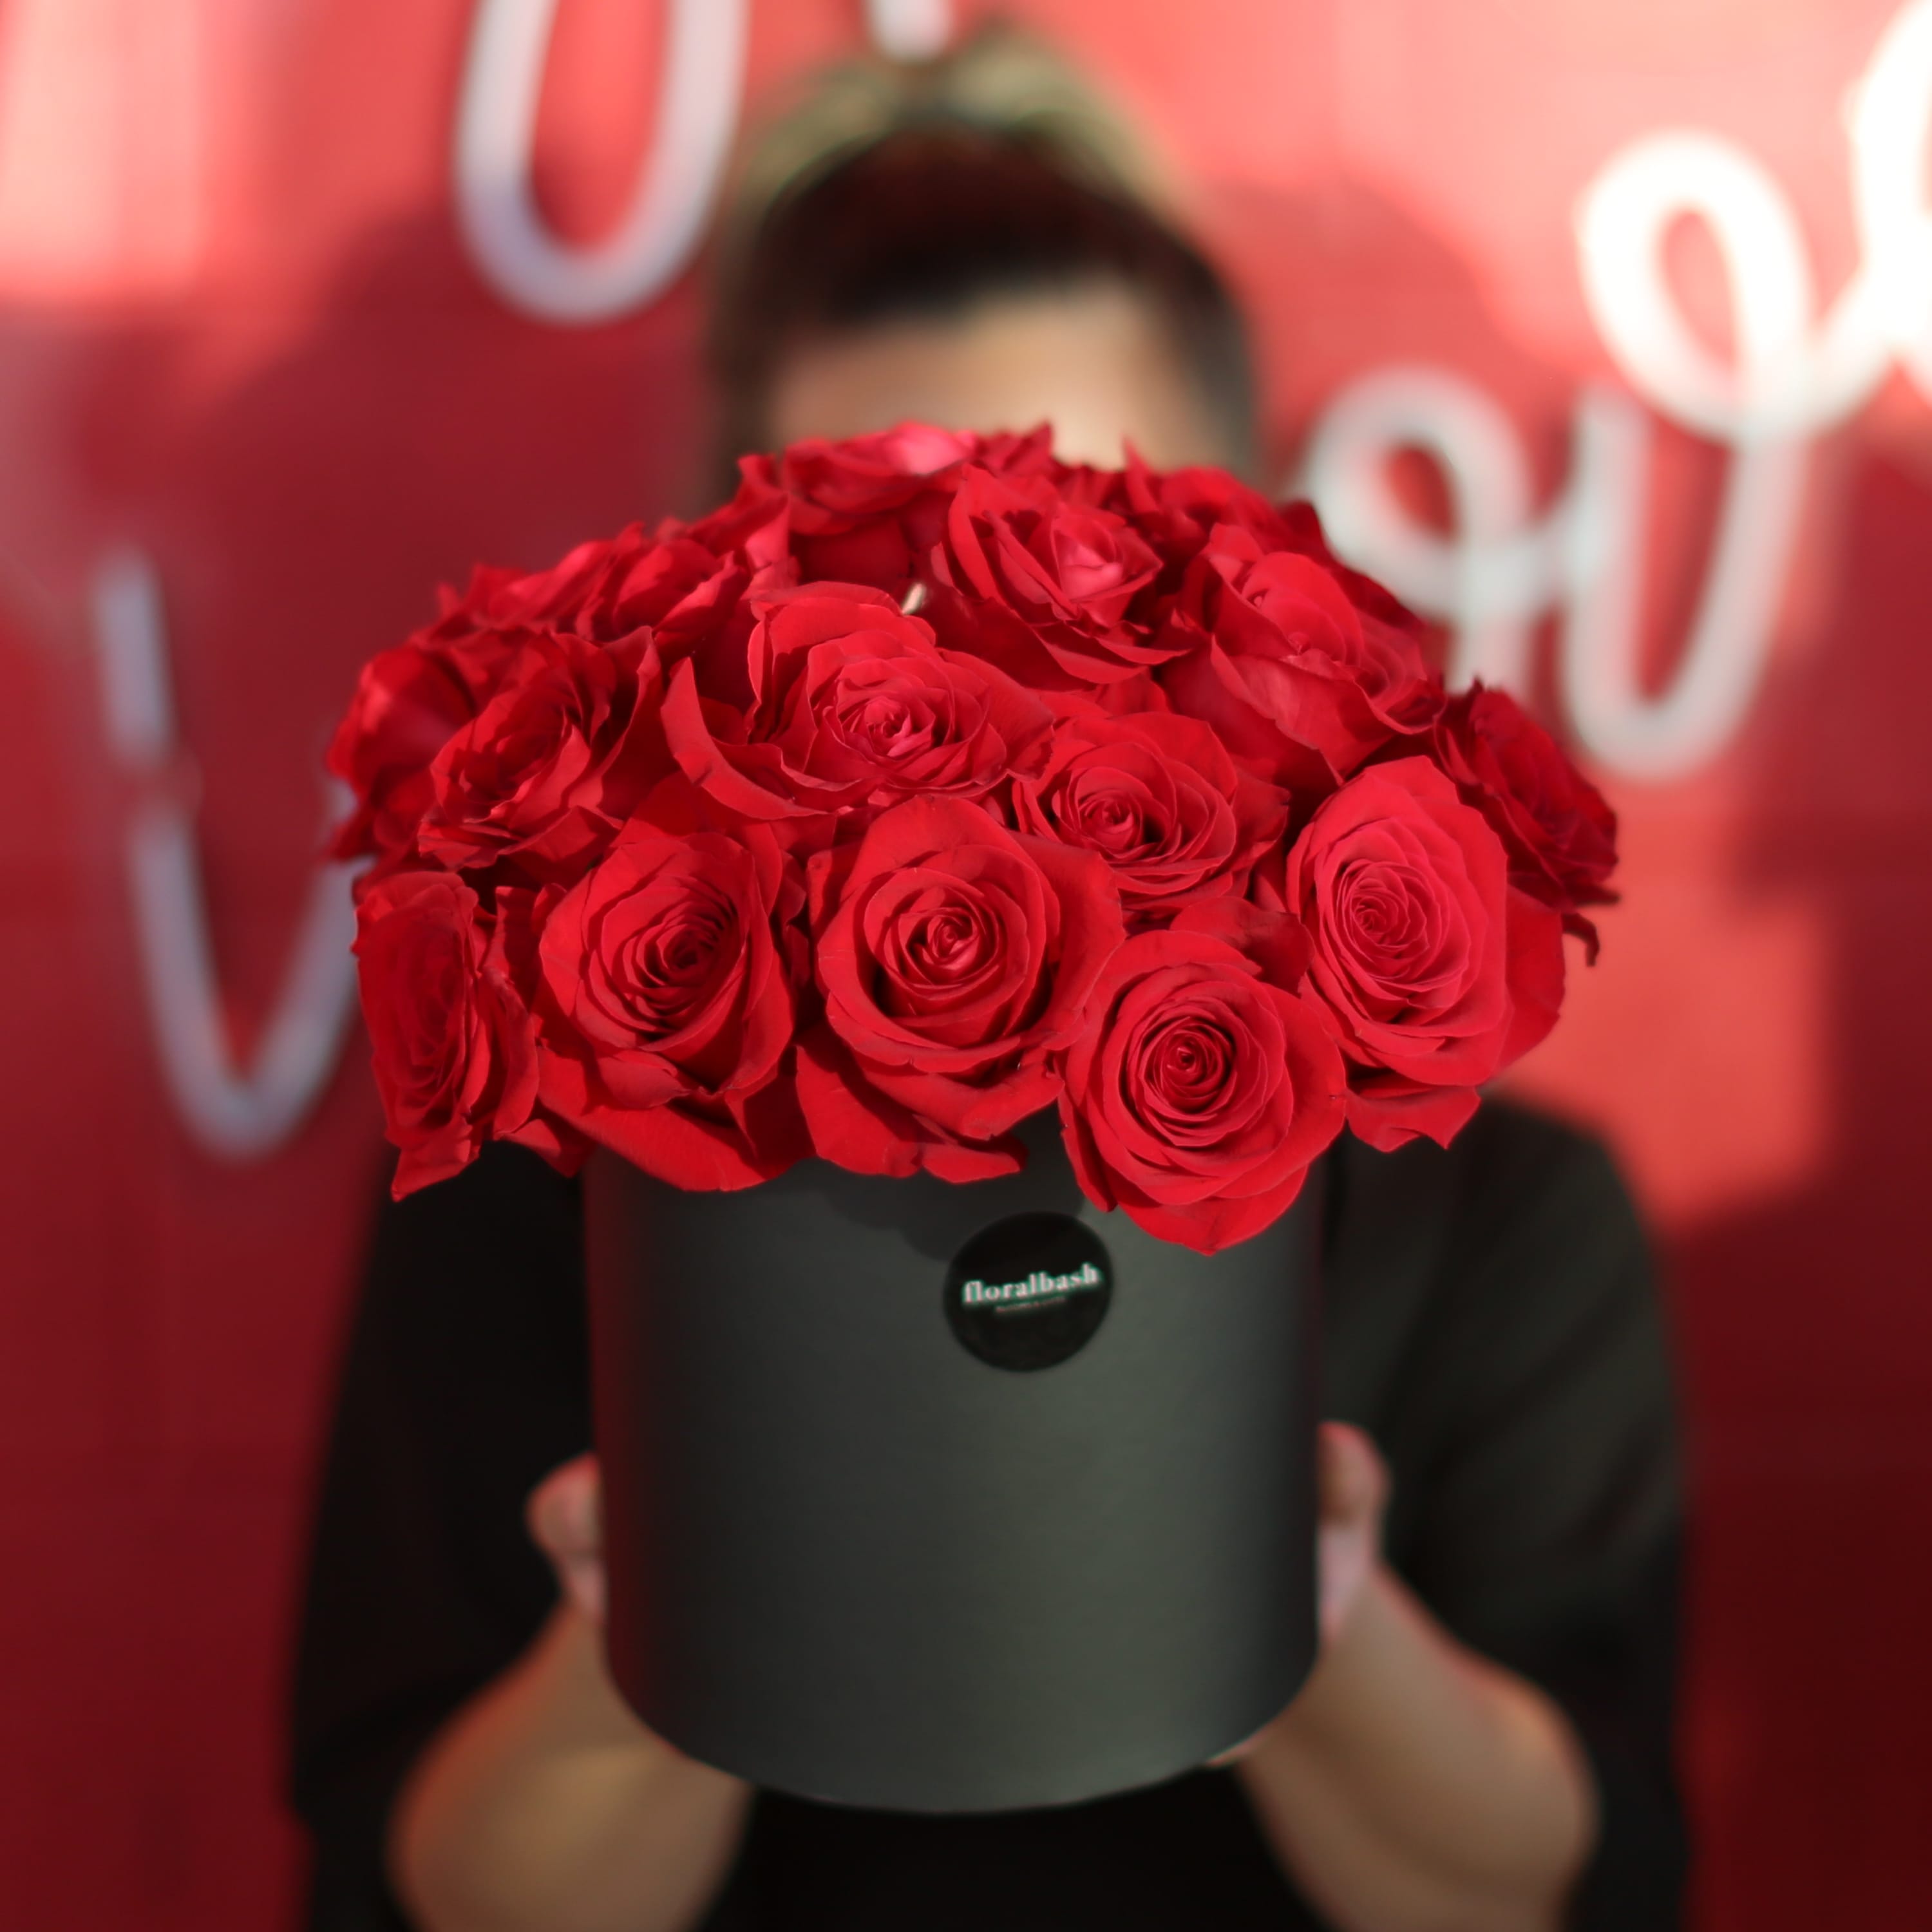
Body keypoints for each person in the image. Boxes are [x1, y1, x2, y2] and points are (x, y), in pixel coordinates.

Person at [290, 30, 1685, 1932]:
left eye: (1079, 552)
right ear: (732, 598)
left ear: (1246, 552)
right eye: (898, 573)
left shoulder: (1513, 1224)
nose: (985, 673)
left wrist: (1295, 1599)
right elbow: (436, 1887)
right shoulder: (541, 1208)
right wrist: (656, 1623)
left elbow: (1551, 1884)